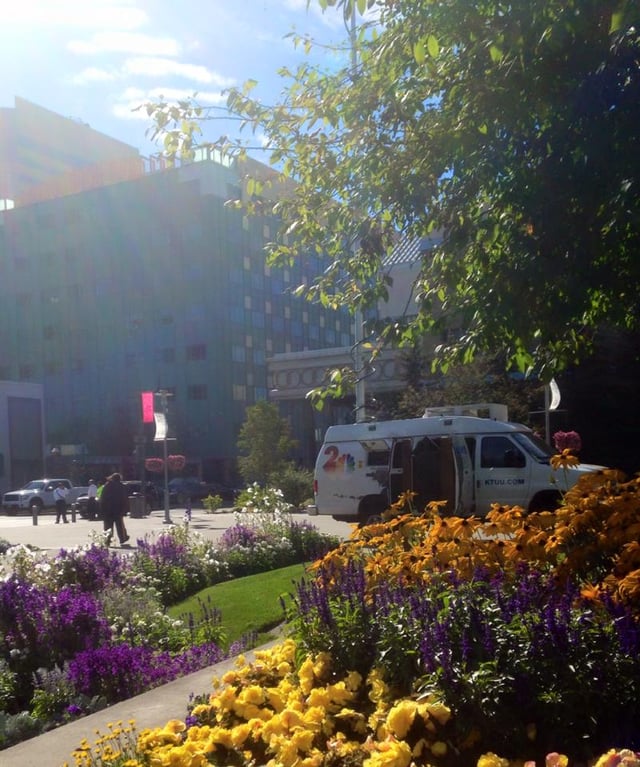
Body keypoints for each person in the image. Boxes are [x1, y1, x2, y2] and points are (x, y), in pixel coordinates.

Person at [99, 473, 130, 546]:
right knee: (120, 525)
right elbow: (124, 499)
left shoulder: (107, 486)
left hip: (107, 509)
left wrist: (102, 508)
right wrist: (125, 509)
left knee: (107, 526)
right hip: (118, 509)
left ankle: (107, 540)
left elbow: (102, 498)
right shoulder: (122, 486)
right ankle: (123, 538)